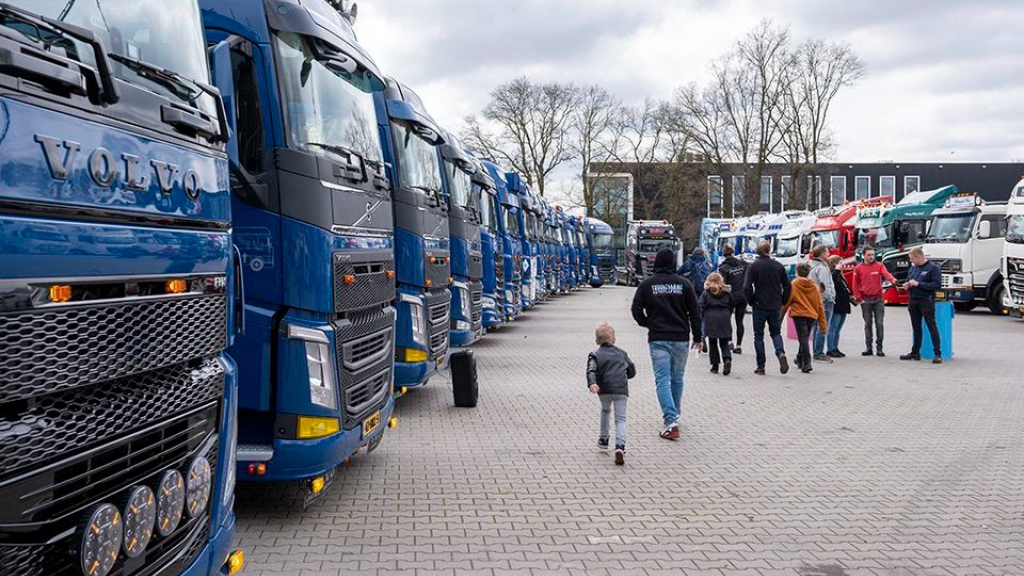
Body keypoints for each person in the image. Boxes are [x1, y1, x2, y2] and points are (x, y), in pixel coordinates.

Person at [631, 248, 703, 440]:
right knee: (677, 378)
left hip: (658, 339)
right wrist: (698, 337)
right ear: (673, 263)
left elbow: (636, 310)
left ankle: (671, 420)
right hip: (681, 338)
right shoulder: (684, 284)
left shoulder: (647, 285)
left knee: (662, 379)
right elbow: (695, 313)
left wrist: (649, 323)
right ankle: (674, 414)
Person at [587, 322, 636, 465]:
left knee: (605, 411)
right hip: (621, 389)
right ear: (614, 340)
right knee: (620, 419)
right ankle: (620, 446)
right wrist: (626, 376)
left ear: (596, 341)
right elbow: (632, 370)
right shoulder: (622, 353)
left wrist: (592, 382)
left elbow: (591, 370)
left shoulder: (595, 355)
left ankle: (603, 439)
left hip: (604, 390)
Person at [743, 240, 791, 375]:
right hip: (775, 304)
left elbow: (747, 287)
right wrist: (783, 300)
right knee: (776, 333)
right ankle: (780, 352)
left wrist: (751, 301)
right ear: (769, 251)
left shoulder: (753, 267)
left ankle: (761, 365)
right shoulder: (778, 266)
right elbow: (788, 285)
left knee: (758, 336)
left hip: (759, 304)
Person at [782, 262, 828, 373]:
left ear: (797, 272)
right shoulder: (814, 287)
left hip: (799, 314)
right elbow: (820, 306)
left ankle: (807, 362)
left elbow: (787, 302)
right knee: (804, 338)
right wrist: (823, 325)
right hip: (812, 316)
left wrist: (780, 318)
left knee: (803, 338)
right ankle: (799, 358)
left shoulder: (794, 284)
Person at [900, 247, 943, 364]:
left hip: (926, 301)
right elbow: (909, 280)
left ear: (919, 257)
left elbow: (937, 284)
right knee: (916, 327)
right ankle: (915, 352)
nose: (911, 261)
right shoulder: (913, 268)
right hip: (913, 301)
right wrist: (907, 284)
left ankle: (938, 354)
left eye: (912, 259)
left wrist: (919, 284)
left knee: (931, 327)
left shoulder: (932, 268)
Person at [851, 247, 896, 356]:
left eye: (873, 255)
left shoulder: (879, 265)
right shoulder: (858, 268)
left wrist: (893, 280)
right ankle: (868, 348)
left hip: (878, 299)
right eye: (869, 255)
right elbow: (855, 285)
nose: (872, 257)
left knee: (879, 324)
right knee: (868, 324)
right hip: (865, 300)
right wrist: (859, 299)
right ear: (863, 255)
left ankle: (879, 348)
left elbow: (886, 274)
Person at [699, 272, 734, 376]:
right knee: (724, 341)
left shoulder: (706, 293)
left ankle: (715, 366)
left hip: (711, 318)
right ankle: (727, 359)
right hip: (724, 317)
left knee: (713, 342)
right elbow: (732, 303)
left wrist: (700, 317)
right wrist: (727, 313)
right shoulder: (727, 292)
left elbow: (701, 306)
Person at [718, 244, 749, 354]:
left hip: (730, 296)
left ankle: (730, 341)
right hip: (743, 295)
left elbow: (722, 284)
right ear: (733, 253)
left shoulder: (723, 268)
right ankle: (739, 345)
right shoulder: (743, 264)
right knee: (739, 321)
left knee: (727, 319)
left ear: (724, 255)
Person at [808, 245, 836, 363]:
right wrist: (831, 297)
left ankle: (816, 350)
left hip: (814, 299)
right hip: (824, 301)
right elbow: (825, 285)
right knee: (822, 327)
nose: (829, 254)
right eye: (827, 252)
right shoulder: (823, 268)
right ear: (822, 254)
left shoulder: (811, 266)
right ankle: (818, 352)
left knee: (816, 327)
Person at [826, 255, 853, 358]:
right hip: (837, 305)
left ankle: (835, 347)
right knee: (833, 327)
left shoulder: (841, 275)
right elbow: (832, 282)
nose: (842, 265)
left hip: (843, 305)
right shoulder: (833, 274)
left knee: (838, 329)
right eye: (840, 263)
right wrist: (836, 271)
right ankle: (830, 349)